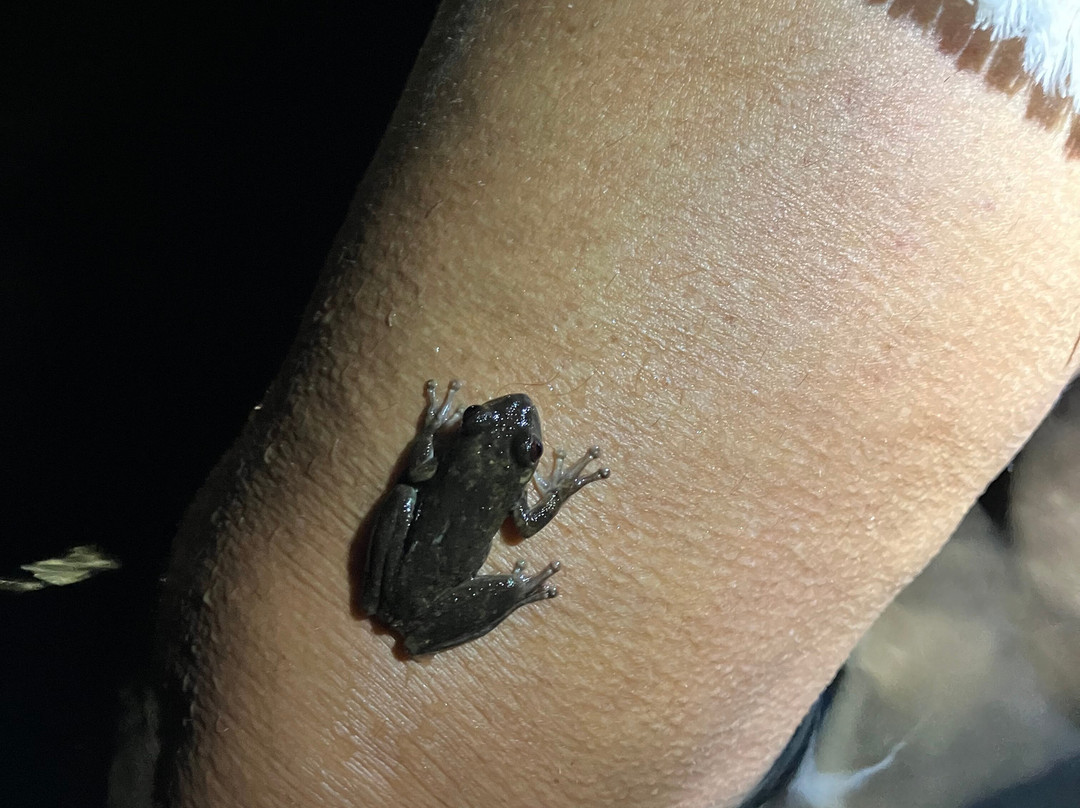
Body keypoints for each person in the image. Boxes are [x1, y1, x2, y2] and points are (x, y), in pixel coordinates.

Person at [151, 1, 1080, 805]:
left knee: (348, 763)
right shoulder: (510, 486)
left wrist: (443, 445)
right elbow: (522, 518)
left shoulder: (457, 462)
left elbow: (432, 506)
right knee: (346, 758)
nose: (508, 421)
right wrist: (527, 544)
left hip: (421, 550)